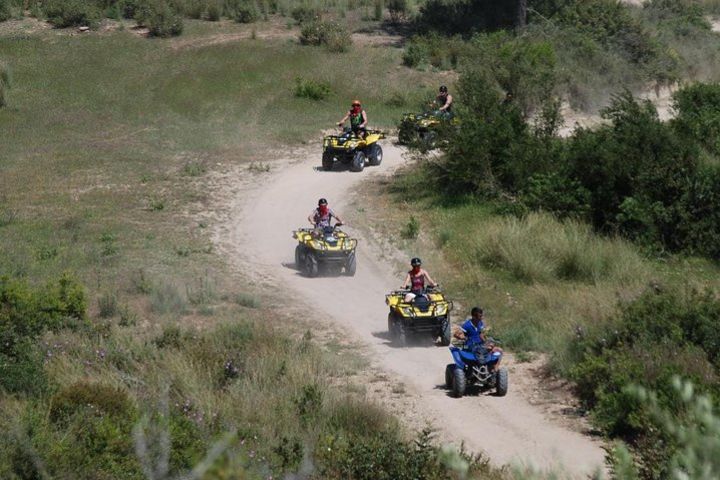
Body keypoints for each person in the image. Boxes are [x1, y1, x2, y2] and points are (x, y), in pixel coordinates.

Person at [454, 306, 503, 371]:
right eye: (479, 317)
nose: (481, 318)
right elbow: (456, 334)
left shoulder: (480, 323)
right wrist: (461, 337)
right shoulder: (467, 325)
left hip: (480, 344)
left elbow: (480, 334)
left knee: (499, 350)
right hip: (470, 345)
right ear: (474, 317)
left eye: (481, 316)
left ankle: (494, 368)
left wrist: (486, 342)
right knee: (486, 349)